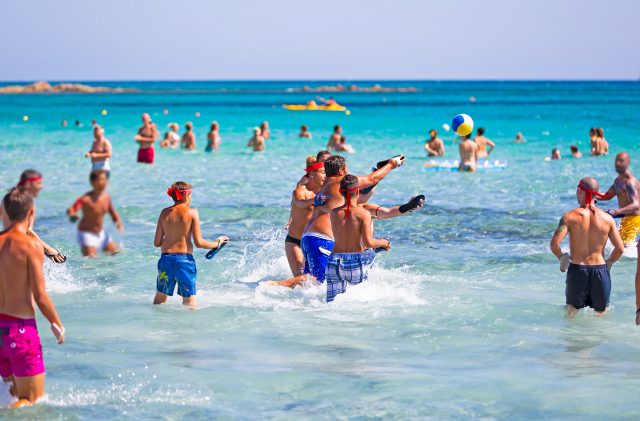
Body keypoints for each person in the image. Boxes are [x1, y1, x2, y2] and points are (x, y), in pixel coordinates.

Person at [276, 154, 404, 287]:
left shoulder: (326, 185)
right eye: (346, 168)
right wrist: (392, 164)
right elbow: (372, 179)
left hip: (310, 238)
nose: (348, 171)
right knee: (318, 281)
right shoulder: (339, 182)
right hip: (319, 239)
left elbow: (365, 191)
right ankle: (271, 286)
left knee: (311, 284)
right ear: (341, 171)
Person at [0, 188, 65, 408]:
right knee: (31, 401)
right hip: (20, 331)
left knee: (11, 395)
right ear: (31, 213)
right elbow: (40, 296)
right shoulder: (31, 245)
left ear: (3, 213)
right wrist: (57, 324)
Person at [550, 177, 623, 316]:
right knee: (601, 314)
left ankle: (572, 338)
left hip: (577, 271)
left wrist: (562, 258)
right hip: (601, 272)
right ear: (596, 194)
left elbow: (554, 244)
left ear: (580, 191)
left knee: (571, 313)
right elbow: (619, 249)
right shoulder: (608, 219)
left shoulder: (569, 217)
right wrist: (609, 262)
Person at [153, 181, 229, 308]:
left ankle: (155, 325)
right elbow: (199, 243)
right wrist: (217, 243)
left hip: (165, 260)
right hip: (184, 261)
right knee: (189, 301)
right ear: (186, 196)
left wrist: (171, 235)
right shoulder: (192, 212)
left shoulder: (164, 212)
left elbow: (157, 243)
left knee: (160, 298)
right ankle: (192, 326)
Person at [326, 175, 391, 302]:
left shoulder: (333, 213)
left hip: (334, 261)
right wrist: (384, 242)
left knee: (332, 303)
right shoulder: (363, 214)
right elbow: (368, 242)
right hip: (354, 262)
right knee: (360, 302)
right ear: (357, 191)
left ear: (341, 192)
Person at [1, 170, 66, 263]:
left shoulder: (8, 198)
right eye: (38, 183)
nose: (41, 186)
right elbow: (27, 230)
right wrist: (48, 249)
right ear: (29, 183)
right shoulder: (26, 201)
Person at [284, 155, 327, 277]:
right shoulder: (300, 191)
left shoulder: (326, 191)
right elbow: (299, 203)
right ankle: (269, 288)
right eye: (323, 173)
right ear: (312, 175)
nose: (326, 176)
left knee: (316, 279)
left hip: (316, 241)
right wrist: (313, 200)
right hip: (295, 241)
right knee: (301, 277)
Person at [66, 170, 123, 257]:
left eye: (105, 180)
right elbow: (72, 209)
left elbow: (112, 212)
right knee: (92, 260)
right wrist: (72, 214)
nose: (105, 182)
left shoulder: (106, 198)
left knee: (117, 253)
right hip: (86, 234)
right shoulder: (85, 199)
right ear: (93, 182)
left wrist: (118, 222)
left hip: (101, 234)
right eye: (101, 179)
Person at [595, 152, 640, 248]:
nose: (618, 163)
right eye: (616, 161)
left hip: (634, 220)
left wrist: (616, 211)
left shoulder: (630, 182)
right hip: (625, 218)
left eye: (621, 161)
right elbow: (607, 196)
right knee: (617, 246)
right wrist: (592, 195)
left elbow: (636, 205)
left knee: (623, 249)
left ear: (628, 162)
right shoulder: (618, 180)